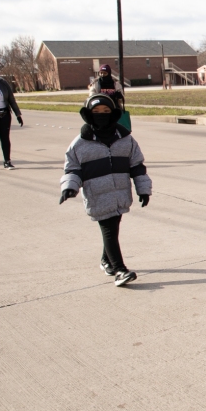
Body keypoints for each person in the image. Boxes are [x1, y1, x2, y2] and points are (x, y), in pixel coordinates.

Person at [59, 94, 152, 287]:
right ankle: (120, 270)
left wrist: (142, 188)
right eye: (96, 112)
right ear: (88, 114)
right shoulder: (80, 143)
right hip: (97, 195)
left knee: (112, 230)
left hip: (119, 193)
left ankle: (106, 260)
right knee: (109, 230)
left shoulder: (126, 139)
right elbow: (72, 168)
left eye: (106, 111)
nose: (101, 115)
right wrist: (70, 187)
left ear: (113, 113)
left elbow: (136, 164)